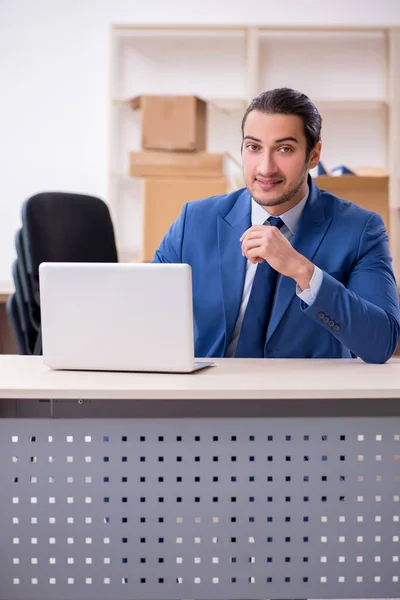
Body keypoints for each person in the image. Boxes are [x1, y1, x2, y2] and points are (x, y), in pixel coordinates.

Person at [152, 87, 400, 364]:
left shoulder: (360, 229)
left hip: (305, 398)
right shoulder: (195, 221)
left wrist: (303, 271)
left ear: (314, 155)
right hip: (209, 395)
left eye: (285, 149)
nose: (265, 168)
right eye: (254, 147)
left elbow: (381, 343)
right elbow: (143, 311)